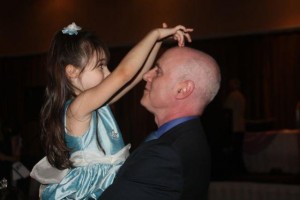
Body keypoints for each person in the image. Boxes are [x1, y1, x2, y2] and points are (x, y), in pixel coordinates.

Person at [30, 22, 193, 199]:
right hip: (95, 188)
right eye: (101, 66)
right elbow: (124, 74)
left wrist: (158, 42)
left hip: (114, 180)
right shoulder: (77, 107)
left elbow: (133, 78)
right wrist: (155, 33)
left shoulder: (96, 103)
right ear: (72, 72)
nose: (108, 73)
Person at [100, 46, 221, 200]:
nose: (146, 76)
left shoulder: (165, 154)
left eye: (158, 71)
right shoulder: (189, 137)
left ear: (183, 89)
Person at [223, 78, 246, 173]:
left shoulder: (232, 96)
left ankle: (236, 169)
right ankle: (240, 169)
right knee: (239, 150)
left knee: (235, 150)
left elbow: (226, 109)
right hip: (241, 126)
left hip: (234, 126)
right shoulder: (241, 96)